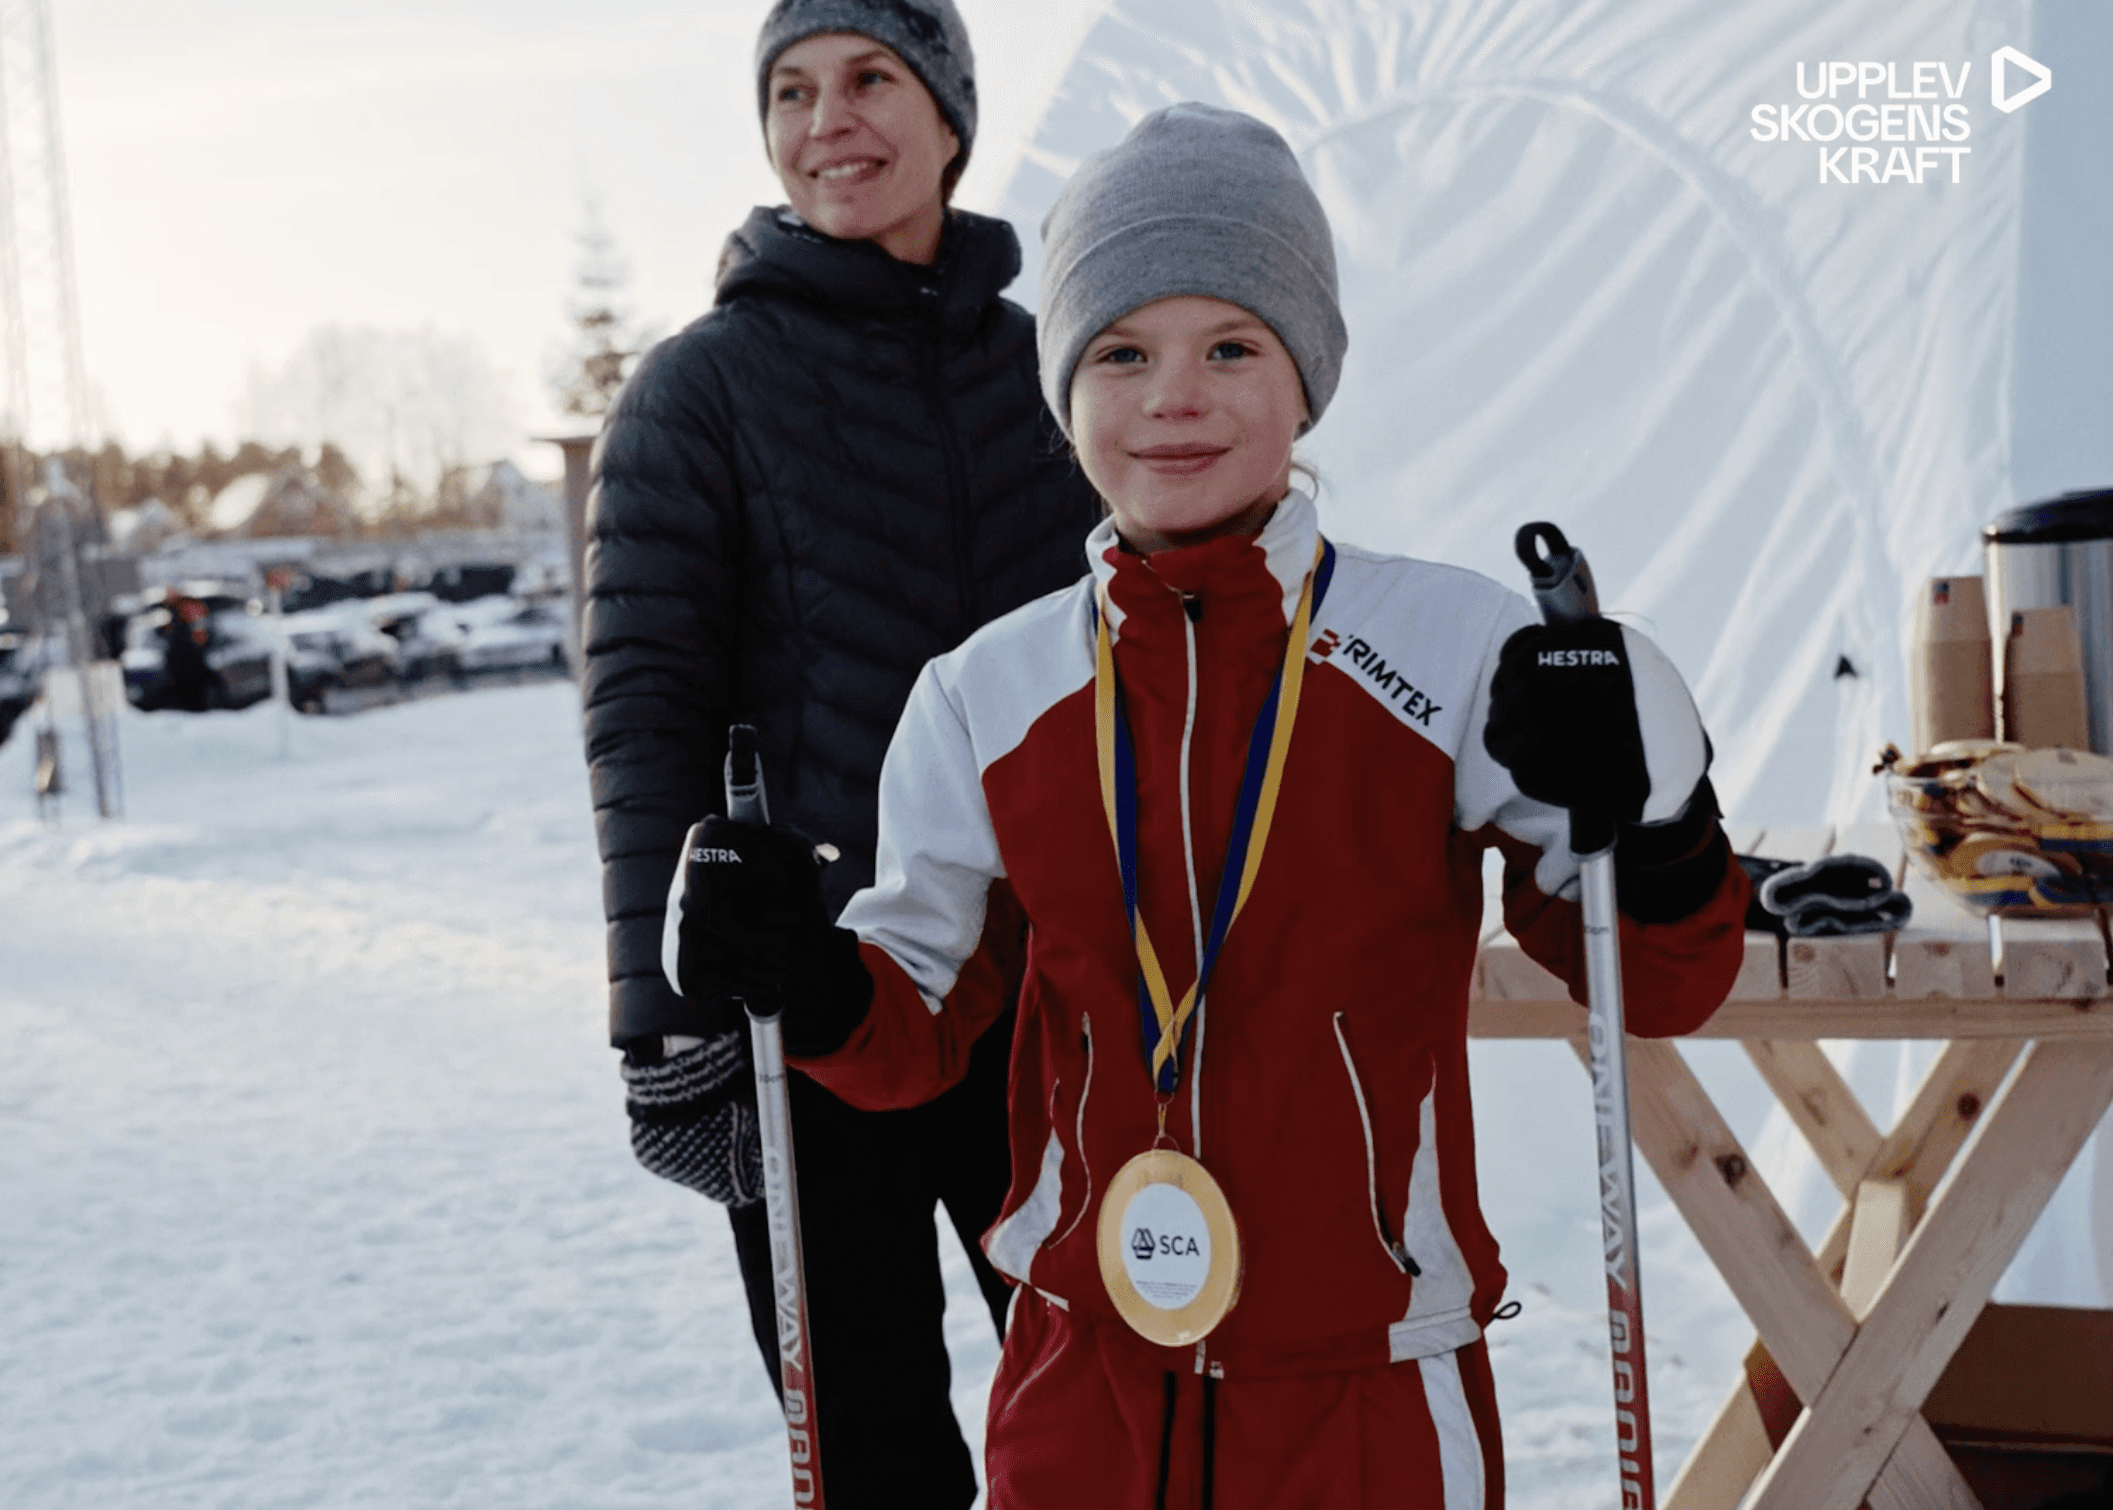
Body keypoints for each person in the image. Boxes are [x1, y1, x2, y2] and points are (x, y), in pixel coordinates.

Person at [663, 104, 1749, 1508]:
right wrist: (799, 979)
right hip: (1083, 1376)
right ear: (1065, 394)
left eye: (1232, 344)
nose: (1174, 395)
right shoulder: (987, 693)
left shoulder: (1448, 648)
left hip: (1367, 1383)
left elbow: (1655, 976)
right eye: (1121, 352)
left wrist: (1656, 810)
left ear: (1307, 379)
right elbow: (913, 1025)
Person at [581, 0, 1099, 1503]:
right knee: (873, 1443)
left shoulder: (1053, 369)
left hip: (1046, 1004)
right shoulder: (702, 389)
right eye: (792, 92)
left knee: (1116, 1396)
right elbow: (643, 702)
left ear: (950, 115)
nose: (829, 122)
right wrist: (667, 1016)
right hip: (814, 1004)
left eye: (872, 78)